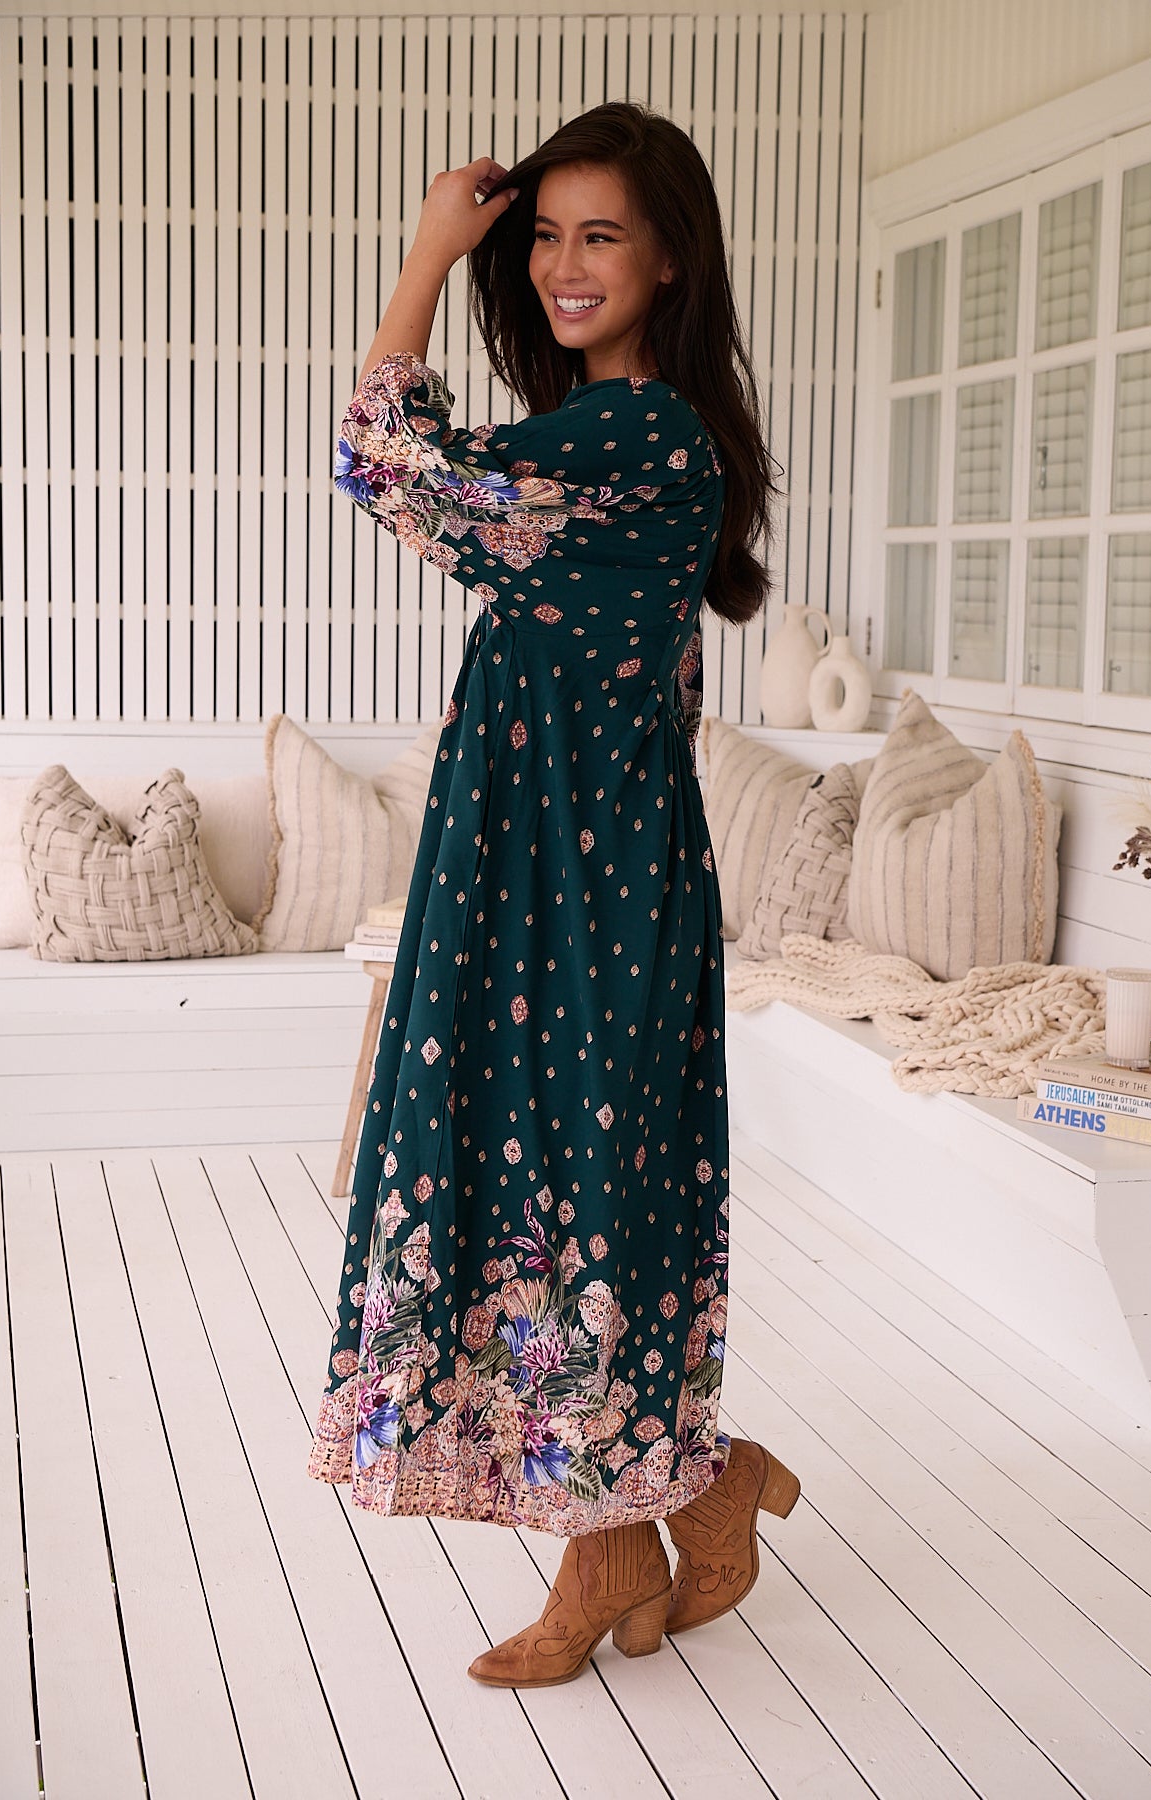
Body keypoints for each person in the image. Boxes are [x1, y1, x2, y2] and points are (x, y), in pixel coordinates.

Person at [309, 101, 800, 1688]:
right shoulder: (610, 442)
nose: (566, 263)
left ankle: (657, 1526)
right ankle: (680, 1506)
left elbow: (379, 462)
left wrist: (425, 259)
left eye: (602, 234)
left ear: (668, 261)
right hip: (564, 878)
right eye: (543, 233)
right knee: (576, 1197)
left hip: (575, 897)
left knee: (573, 1196)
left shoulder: (633, 437)